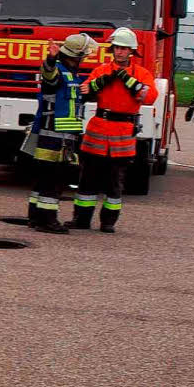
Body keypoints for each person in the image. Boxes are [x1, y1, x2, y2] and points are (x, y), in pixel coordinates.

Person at [71, 27, 156, 233]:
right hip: (99, 127)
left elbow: (150, 97)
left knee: (115, 181)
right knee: (87, 179)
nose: (119, 52)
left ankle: (108, 222)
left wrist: (130, 82)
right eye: (117, 48)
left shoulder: (141, 73)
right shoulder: (101, 70)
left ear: (132, 51)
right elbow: (84, 91)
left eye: (124, 49)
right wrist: (96, 85)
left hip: (122, 132)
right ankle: (81, 220)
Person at [23, 34, 94, 233]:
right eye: (83, 56)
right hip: (53, 136)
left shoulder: (71, 75)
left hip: (62, 135)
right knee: (52, 178)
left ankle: (35, 218)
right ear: (75, 56)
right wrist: (51, 59)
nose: (85, 59)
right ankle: (48, 221)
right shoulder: (58, 71)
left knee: (45, 178)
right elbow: (48, 75)